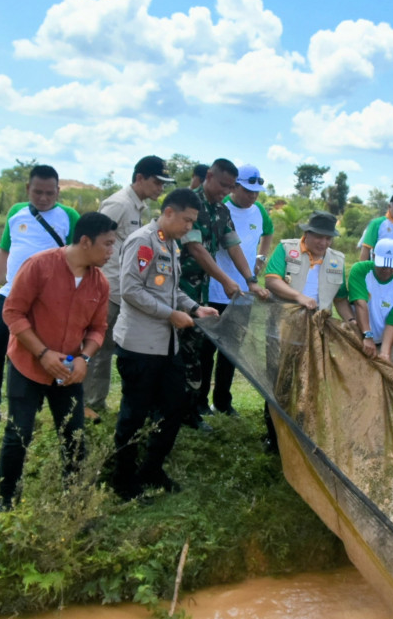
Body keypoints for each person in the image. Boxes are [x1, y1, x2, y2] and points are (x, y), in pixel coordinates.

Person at [0, 212, 115, 509]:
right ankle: (7, 502)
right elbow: (12, 313)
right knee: (18, 434)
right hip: (27, 364)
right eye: (108, 245)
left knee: (74, 438)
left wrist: (85, 357)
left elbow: (98, 329)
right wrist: (43, 353)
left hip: (68, 373)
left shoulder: (99, 284)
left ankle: (73, 503)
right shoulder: (40, 266)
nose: (112, 252)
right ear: (85, 242)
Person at [111, 189, 218, 498]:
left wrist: (194, 308)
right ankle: (123, 480)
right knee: (134, 414)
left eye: (193, 222)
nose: (189, 228)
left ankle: (152, 469)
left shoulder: (170, 244)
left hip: (165, 346)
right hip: (140, 345)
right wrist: (170, 314)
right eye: (187, 220)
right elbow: (129, 290)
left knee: (174, 407)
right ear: (169, 212)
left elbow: (170, 291)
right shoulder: (143, 242)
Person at [0, 165, 79, 423]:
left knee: (38, 352)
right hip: (11, 294)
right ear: (28, 189)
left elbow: (78, 256)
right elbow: (5, 250)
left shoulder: (69, 216)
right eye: (38, 192)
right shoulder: (16, 212)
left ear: (58, 191)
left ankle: (36, 408)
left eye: (50, 193)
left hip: (47, 302)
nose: (44, 198)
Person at [178, 158, 268, 427]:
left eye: (230, 187)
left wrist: (250, 279)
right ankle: (180, 409)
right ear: (209, 176)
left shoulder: (220, 210)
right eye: (223, 185)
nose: (225, 192)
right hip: (180, 287)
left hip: (202, 289)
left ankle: (190, 410)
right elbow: (196, 248)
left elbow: (233, 244)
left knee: (194, 350)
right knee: (185, 351)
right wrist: (227, 280)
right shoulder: (188, 202)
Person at [84, 156, 172, 419]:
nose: (161, 188)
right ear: (139, 179)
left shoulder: (138, 206)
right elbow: (92, 239)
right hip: (107, 288)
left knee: (106, 349)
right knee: (96, 349)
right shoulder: (119, 204)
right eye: (157, 182)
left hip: (122, 290)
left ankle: (94, 401)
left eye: (164, 183)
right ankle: (87, 403)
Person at [201, 164, 274, 415]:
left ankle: (222, 402)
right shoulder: (221, 208)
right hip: (215, 290)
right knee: (205, 351)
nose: (252, 196)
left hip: (244, 292)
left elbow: (269, 233)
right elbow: (231, 247)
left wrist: (260, 261)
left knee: (231, 352)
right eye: (246, 190)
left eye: (256, 191)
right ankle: (199, 403)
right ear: (234, 187)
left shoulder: (259, 211)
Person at [347, 237, 393, 363]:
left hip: (387, 339)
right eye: (382, 265)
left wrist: (385, 352)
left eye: (391, 266)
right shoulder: (360, 270)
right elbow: (360, 304)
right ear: (374, 256)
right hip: (359, 336)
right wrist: (367, 336)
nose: (386, 270)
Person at [359, 192, 393, 275]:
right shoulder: (378, 223)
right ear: (389, 207)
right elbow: (366, 248)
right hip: (381, 274)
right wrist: (362, 273)